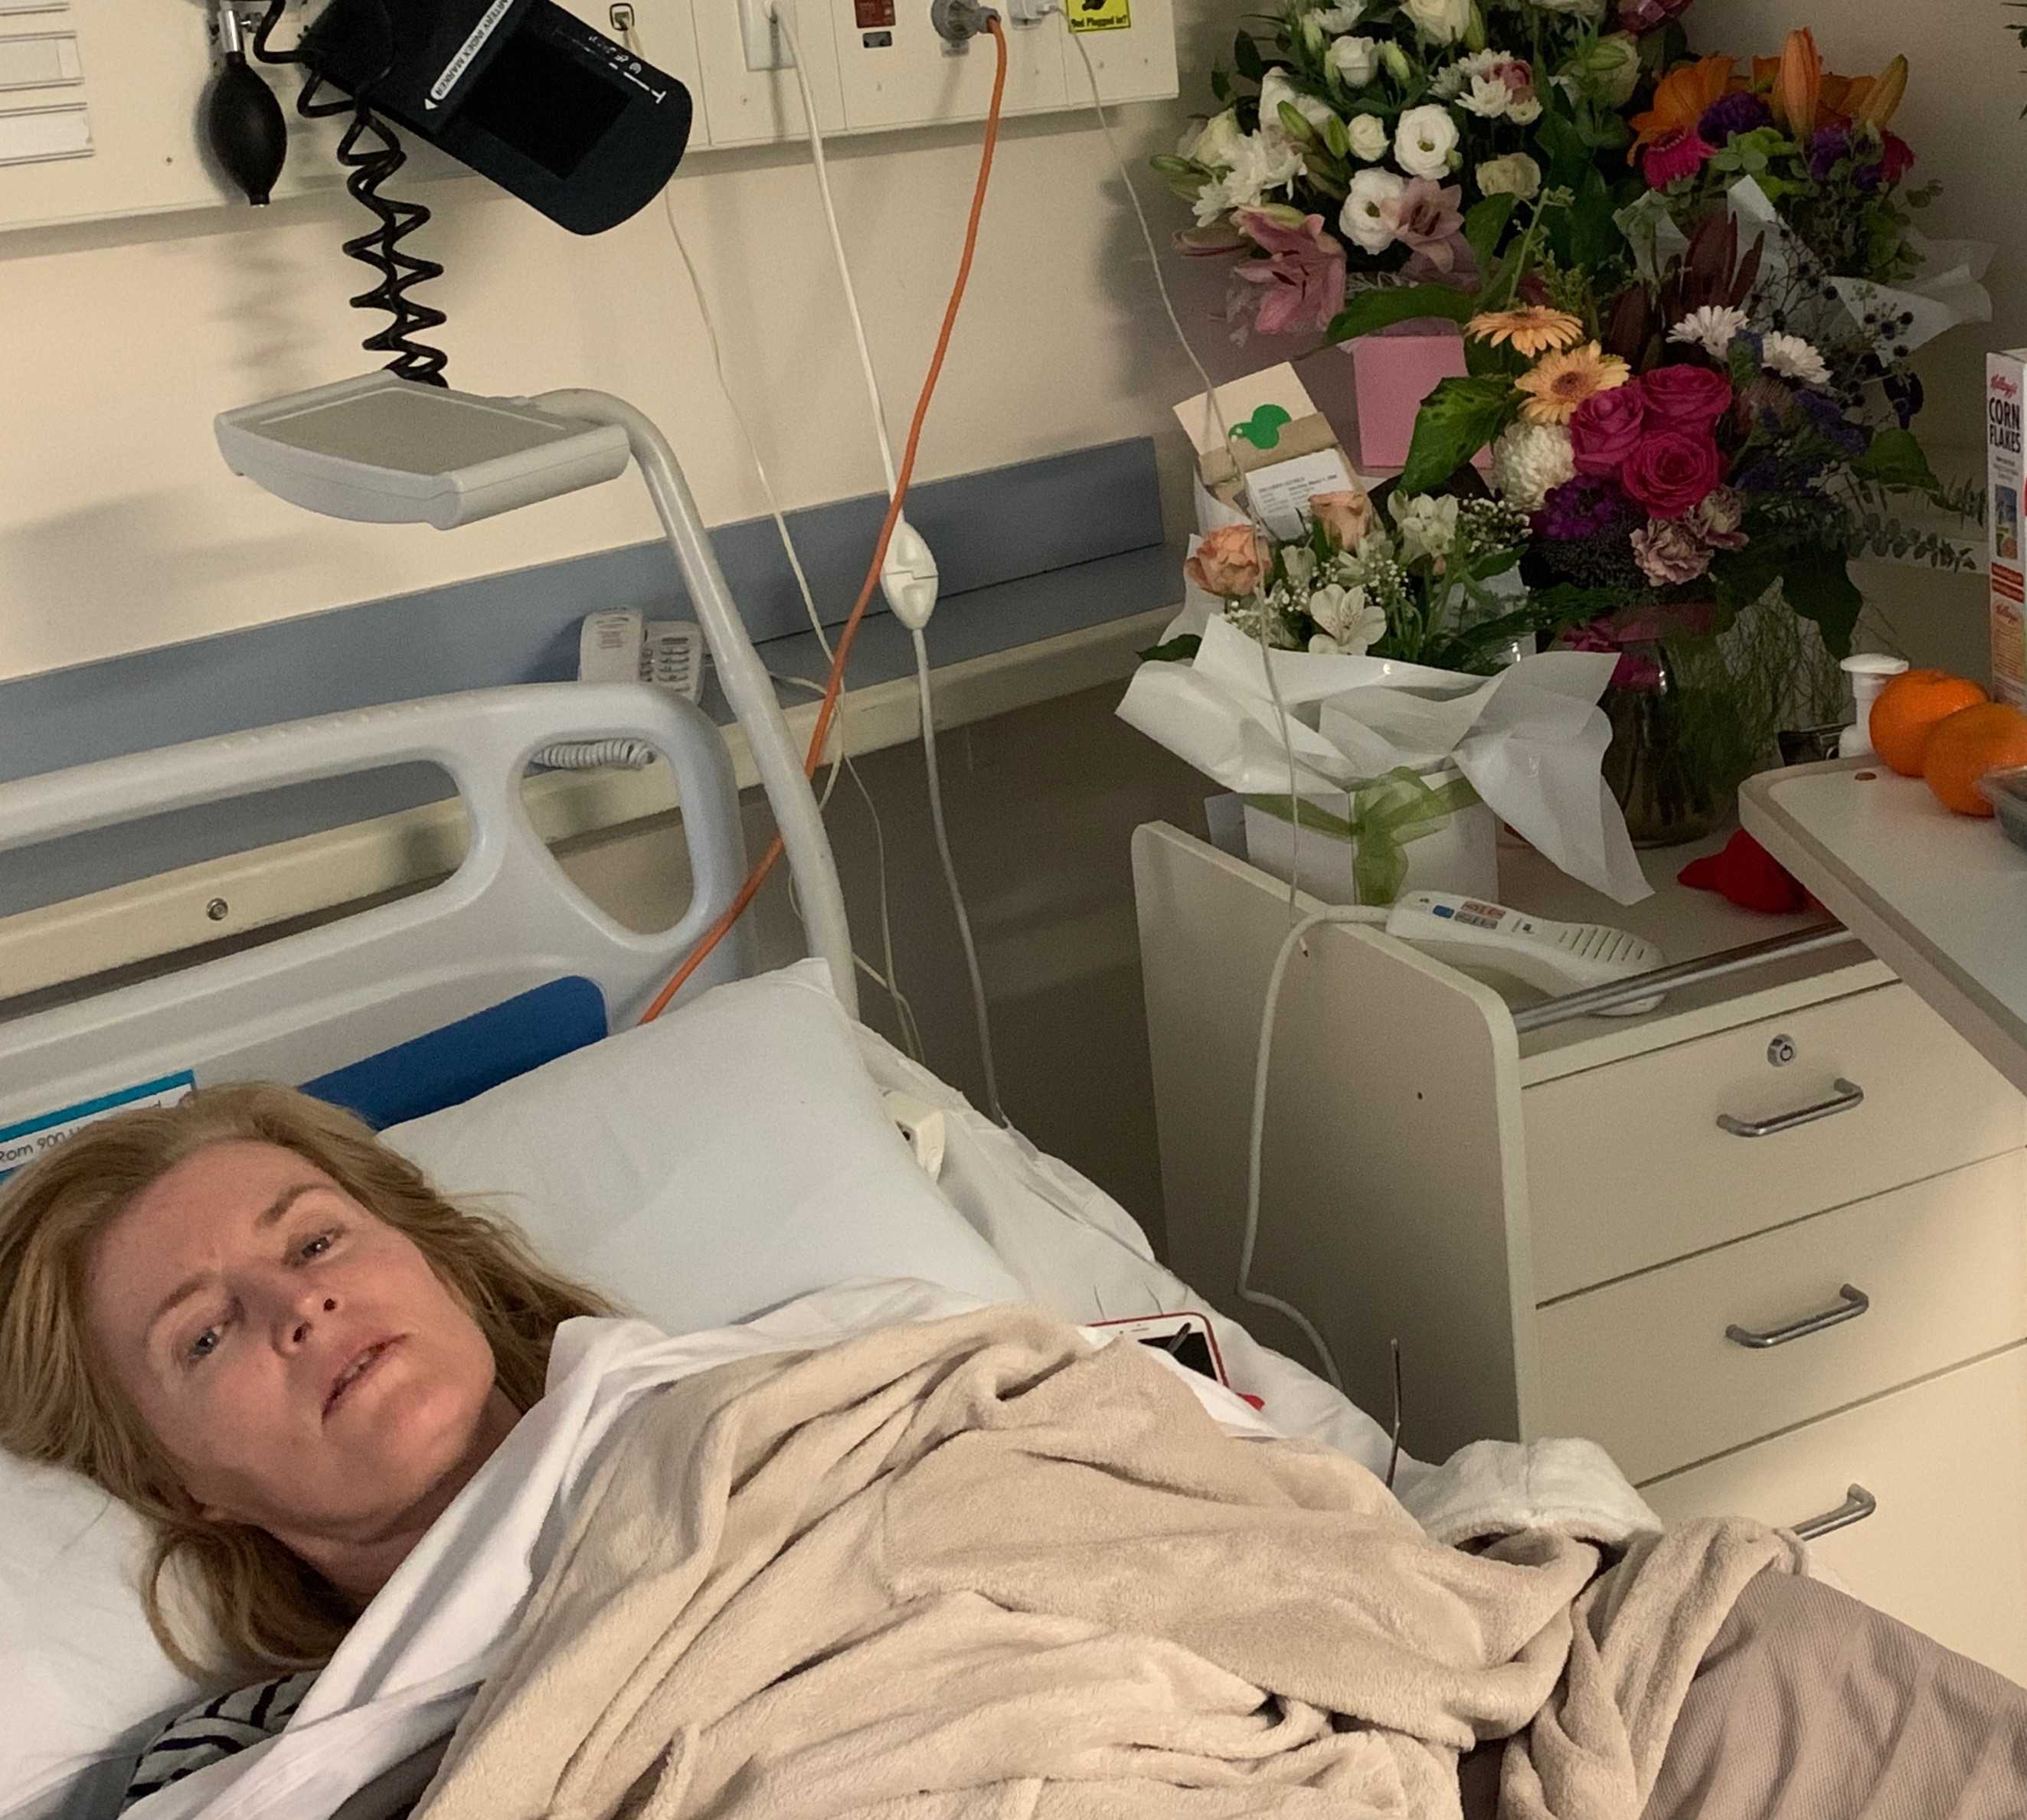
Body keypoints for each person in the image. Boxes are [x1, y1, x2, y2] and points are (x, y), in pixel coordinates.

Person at [0, 1083, 613, 1676]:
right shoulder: (269, 1765)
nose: (299, 1302)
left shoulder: (696, 1411)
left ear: (440, 1265)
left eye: (315, 1243)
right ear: (171, 1484)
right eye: (206, 1335)